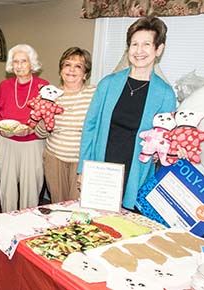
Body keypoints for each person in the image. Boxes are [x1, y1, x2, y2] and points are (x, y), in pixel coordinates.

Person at [77, 16, 176, 211]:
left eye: (146, 44)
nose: (139, 51)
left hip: (136, 176)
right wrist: (82, 169)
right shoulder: (108, 84)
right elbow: (89, 127)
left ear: (158, 49)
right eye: (134, 44)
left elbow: (165, 140)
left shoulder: (165, 93)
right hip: (100, 172)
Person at [35, 47, 96, 203]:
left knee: (77, 205)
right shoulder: (49, 95)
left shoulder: (94, 94)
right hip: (54, 158)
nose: (71, 70)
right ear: (61, 70)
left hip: (81, 161)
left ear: (85, 74)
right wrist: (43, 119)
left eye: (78, 66)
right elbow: (40, 134)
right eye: (67, 65)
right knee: (57, 204)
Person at [0, 44, 48, 213]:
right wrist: (0, 128)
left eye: (23, 61)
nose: (19, 65)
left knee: (30, 190)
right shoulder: (4, 86)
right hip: (7, 142)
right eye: (15, 61)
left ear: (31, 63)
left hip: (32, 144)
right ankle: (7, 222)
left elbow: (47, 116)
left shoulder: (43, 86)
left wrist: (31, 129)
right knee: (7, 189)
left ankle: (27, 225)